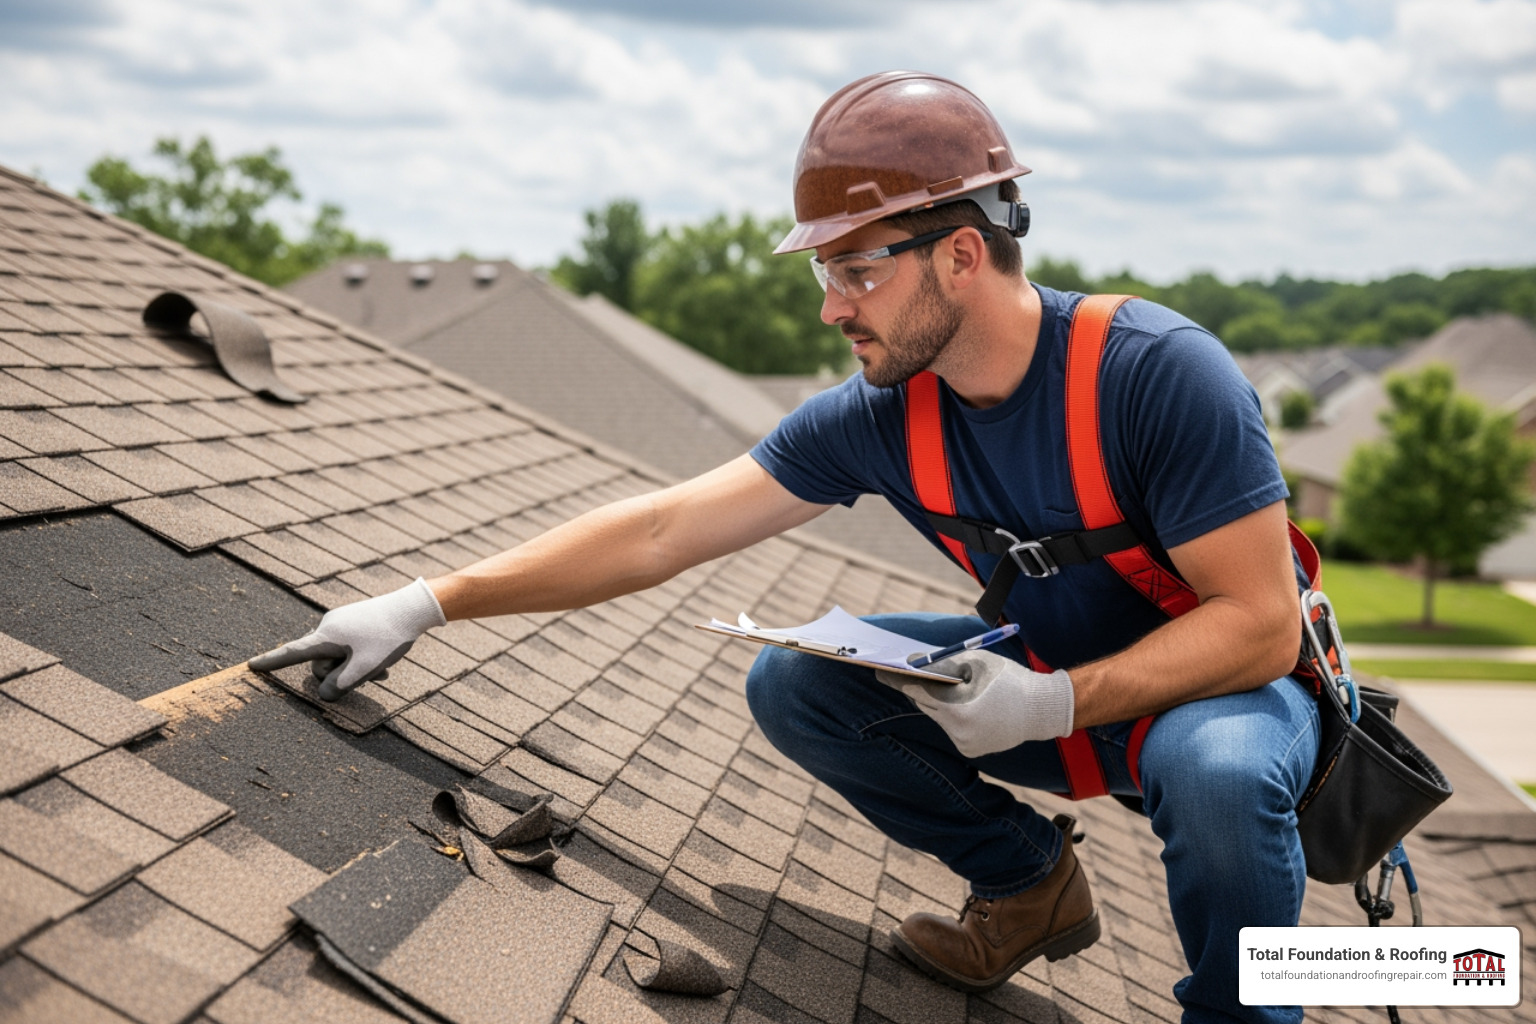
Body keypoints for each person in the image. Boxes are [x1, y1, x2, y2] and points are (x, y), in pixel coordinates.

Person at [252, 71, 1314, 1024]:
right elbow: (662, 529)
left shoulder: (1157, 374)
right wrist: (427, 600)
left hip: (1222, 694)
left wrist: (1053, 703)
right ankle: (1028, 884)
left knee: (1214, 773)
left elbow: (1262, 627)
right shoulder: (883, 416)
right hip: (1047, 681)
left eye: (855, 269)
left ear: (960, 253)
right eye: (824, 273)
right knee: (800, 681)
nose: (829, 308)